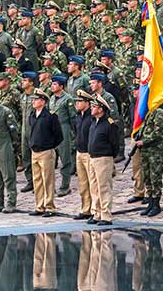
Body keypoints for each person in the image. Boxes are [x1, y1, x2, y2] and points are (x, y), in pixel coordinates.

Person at [134, 87, 163, 217]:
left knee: (155, 178)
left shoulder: (159, 113)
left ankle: (156, 204)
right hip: (146, 151)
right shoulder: (148, 113)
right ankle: (150, 202)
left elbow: (159, 133)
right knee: (147, 177)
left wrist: (145, 141)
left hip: (156, 150)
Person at [27, 88, 63, 216]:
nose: (34, 102)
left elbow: (59, 135)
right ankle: (39, 205)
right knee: (37, 180)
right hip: (35, 151)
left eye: (36, 99)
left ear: (43, 101)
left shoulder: (50, 116)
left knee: (48, 180)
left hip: (46, 151)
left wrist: (50, 146)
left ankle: (49, 206)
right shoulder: (32, 115)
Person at [87, 94, 119, 225]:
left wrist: (110, 157)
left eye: (94, 106)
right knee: (94, 187)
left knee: (104, 187)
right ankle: (97, 213)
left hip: (103, 158)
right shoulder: (94, 122)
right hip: (93, 158)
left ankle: (106, 215)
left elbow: (114, 144)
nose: (91, 109)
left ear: (101, 109)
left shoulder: (109, 124)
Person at [49, 73, 76, 196]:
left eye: (55, 84)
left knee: (65, 159)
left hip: (64, 128)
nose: (52, 86)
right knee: (52, 159)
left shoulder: (68, 99)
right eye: (52, 84)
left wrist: (73, 134)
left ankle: (65, 186)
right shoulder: (51, 98)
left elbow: (73, 118)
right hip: (53, 129)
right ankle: (51, 186)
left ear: (61, 86)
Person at [72, 90, 94, 219]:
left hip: (89, 153)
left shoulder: (91, 116)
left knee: (92, 183)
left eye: (80, 101)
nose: (77, 103)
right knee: (82, 183)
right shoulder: (78, 116)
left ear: (87, 103)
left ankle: (94, 209)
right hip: (79, 152)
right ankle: (85, 209)